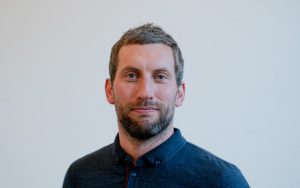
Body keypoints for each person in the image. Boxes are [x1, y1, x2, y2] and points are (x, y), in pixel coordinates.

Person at [62, 23, 250, 188]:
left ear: (180, 93)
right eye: (131, 76)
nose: (145, 92)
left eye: (160, 77)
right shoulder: (80, 176)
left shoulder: (221, 181)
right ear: (109, 90)